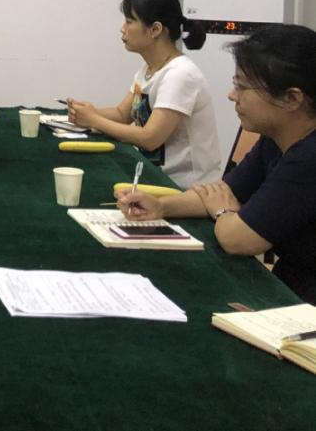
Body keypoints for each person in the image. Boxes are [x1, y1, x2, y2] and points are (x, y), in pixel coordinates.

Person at [118, 24, 316, 303]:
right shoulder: (275, 139)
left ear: (291, 98)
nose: (231, 95)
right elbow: (223, 191)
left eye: (242, 87)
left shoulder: (308, 157)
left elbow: (238, 238)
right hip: (292, 281)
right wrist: (161, 206)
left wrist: (222, 211)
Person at [68, 0, 222, 188]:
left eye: (129, 21)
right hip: (154, 178)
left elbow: (150, 138)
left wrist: (94, 119)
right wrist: (85, 113)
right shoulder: (149, 69)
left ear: (155, 30)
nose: (122, 28)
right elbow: (122, 114)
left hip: (185, 188)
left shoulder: (180, 74)